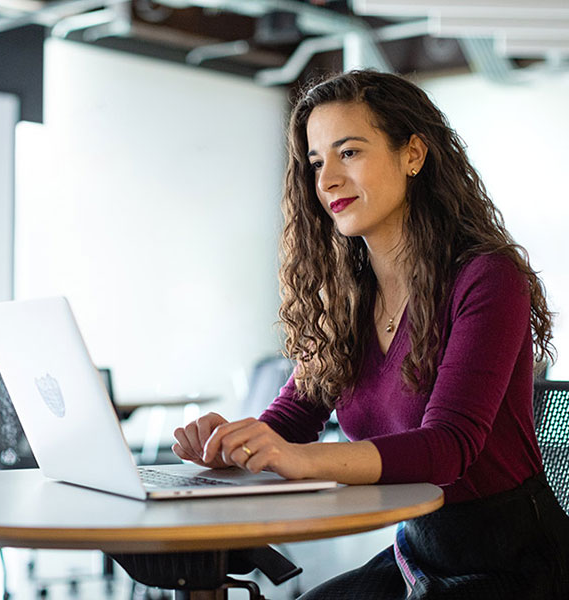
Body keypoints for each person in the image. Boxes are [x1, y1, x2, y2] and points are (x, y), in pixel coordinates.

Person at [172, 70, 569, 599]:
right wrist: (236, 445)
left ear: (413, 155)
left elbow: (448, 450)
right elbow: (291, 420)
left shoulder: (488, 278)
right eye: (316, 162)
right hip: (419, 555)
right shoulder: (347, 298)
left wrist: (298, 461)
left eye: (350, 153)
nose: (327, 180)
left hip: (514, 565)